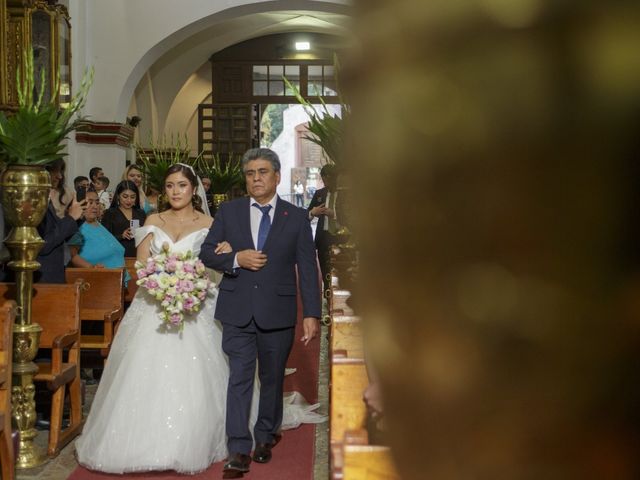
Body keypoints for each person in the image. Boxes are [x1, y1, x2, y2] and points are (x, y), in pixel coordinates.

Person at [75, 163, 322, 474]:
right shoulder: (153, 220)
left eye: (181, 185)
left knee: (221, 375)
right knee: (143, 373)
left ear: (194, 189)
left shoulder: (211, 221)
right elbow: (141, 266)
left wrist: (194, 281)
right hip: (155, 306)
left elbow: (214, 262)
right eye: (169, 186)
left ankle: (219, 438)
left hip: (196, 304)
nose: (175, 192)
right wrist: (161, 285)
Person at [200, 147, 321, 475]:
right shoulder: (230, 212)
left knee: (271, 377)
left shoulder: (296, 217)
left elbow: (307, 268)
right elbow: (207, 253)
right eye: (251, 173)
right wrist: (237, 259)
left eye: (263, 172)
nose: (256, 178)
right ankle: (238, 448)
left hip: (278, 311)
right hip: (237, 308)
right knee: (239, 377)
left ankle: (266, 434)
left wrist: (312, 313)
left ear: (277, 176)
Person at [35, 159, 86, 283]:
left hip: (52, 272)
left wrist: (76, 218)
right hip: (42, 276)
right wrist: (71, 218)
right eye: (55, 171)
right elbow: (43, 244)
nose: (59, 176)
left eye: (60, 171)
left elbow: (58, 232)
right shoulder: (35, 201)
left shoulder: (45, 198)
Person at [68, 188, 128, 278]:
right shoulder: (75, 227)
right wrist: (92, 267)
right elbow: (72, 256)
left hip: (120, 280)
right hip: (98, 280)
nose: (95, 206)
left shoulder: (99, 224)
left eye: (97, 202)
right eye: (90, 202)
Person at [308, 164, 339, 296]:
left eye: (329, 178)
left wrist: (334, 214)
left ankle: (339, 299)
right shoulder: (319, 193)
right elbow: (307, 214)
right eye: (324, 179)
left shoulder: (344, 193)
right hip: (323, 238)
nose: (327, 182)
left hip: (340, 238)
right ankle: (327, 297)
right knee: (325, 271)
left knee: (338, 271)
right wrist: (313, 212)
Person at [100, 180, 146, 257]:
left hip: (138, 255)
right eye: (125, 196)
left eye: (132, 197)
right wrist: (121, 236)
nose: (129, 200)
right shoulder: (110, 213)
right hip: (117, 255)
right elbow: (104, 238)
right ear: (118, 196)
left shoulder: (140, 213)